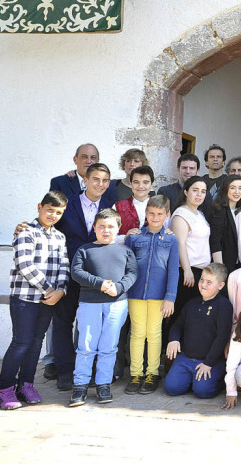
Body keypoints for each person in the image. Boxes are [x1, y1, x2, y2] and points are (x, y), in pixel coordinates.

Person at [0, 191, 69, 410]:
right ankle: (4, 389)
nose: (53, 215)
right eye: (50, 210)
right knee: (21, 342)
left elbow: (64, 265)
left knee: (36, 342)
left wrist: (61, 290)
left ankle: (26, 385)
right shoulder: (26, 232)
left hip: (48, 300)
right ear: (39, 207)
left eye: (58, 212)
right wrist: (49, 289)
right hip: (25, 298)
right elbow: (25, 264)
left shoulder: (59, 237)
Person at [51, 162, 116, 391]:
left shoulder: (109, 206)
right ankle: (65, 372)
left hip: (96, 276)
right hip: (68, 273)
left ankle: (88, 371)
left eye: (105, 180)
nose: (100, 184)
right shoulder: (68, 204)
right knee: (63, 322)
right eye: (96, 179)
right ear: (85, 180)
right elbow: (48, 225)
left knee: (91, 325)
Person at [68, 209, 137, 407]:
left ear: (118, 228)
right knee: (86, 346)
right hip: (90, 303)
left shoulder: (125, 251)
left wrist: (119, 287)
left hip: (117, 303)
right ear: (94, 228)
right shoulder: (85, 250)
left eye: (110, 227)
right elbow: (76, 272)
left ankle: (103, 384)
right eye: (101, 227)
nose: (106, 230)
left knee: (109, 346)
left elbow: (132, 273)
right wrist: (100, 284)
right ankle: (80, 385)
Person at [124, 195, 178, 395]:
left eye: (160, 214)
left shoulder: (171, 239)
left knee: (154, 334)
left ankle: (152, 373)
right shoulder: (134, 237)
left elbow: (174, 270)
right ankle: (136, 373)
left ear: (167, 215)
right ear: (145, 214)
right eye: (152, 213)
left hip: (158, 295)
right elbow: (127, 266)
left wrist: (170, 297)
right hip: (135, 293)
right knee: (137, 333)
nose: (155, 217)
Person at [164, 263, 233, 399]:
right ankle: (191, 379)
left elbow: (222, 337)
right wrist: (173, 339)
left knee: (203, 391)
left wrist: (208, 363)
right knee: (171, 387)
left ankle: (212, 380)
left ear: (220, 285)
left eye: (209, 282)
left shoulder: (223, 306)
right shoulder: (192, 303)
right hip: (187, 358)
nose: (203, 285)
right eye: (202, 280)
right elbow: (178, 325)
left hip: (210, 360)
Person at [171, 176, 212, 322]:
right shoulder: (181, 214)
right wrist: (187, 270)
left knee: (192, 315)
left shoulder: (199, 214)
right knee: (180, 312)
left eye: (203, 191)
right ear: (186, 191)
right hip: (187, 272)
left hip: (201, 271)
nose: (199, 194)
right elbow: (179, 244)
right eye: (195, 190)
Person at [208, 175, 241, 273]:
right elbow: (215, 240)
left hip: (237, 266)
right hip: (224, 266)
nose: (237, 192)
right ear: (225, 189)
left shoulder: (239, 210)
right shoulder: (219, 210)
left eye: (240, 188)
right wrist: (220, 268)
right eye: (232, 188)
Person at [50, 143, 117, 204]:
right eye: (84, 157)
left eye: (93, 157)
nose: (89, 161)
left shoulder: (111, 186)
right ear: (75, 159)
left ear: (98, 161)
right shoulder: (60, 183)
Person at [114, 165, 154, 235]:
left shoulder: (160, 206)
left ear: (152, 184)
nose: (140, 186)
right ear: (131, 183)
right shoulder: (117, 207)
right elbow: (111, 236)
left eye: (145, 182)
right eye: (136, 182)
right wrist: (125, 237)